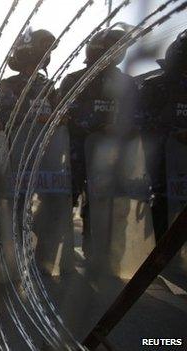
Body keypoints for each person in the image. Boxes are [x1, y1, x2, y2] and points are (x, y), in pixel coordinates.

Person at [59, 26, 140, 258]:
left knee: (103, 200)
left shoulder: (126, 82)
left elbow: (136, 115)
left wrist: (125, 129)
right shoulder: (76, 80)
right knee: (68, 198)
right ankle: (61, 247)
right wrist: (97, 126)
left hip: (110, 154)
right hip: (75, 151)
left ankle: (96, 250)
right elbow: (66, 114)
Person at [139, 30, 187, 240]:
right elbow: (140, 119)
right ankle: (160, 255)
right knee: (162, 204)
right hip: (161, 161)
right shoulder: (155, 85)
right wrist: (176, 133)